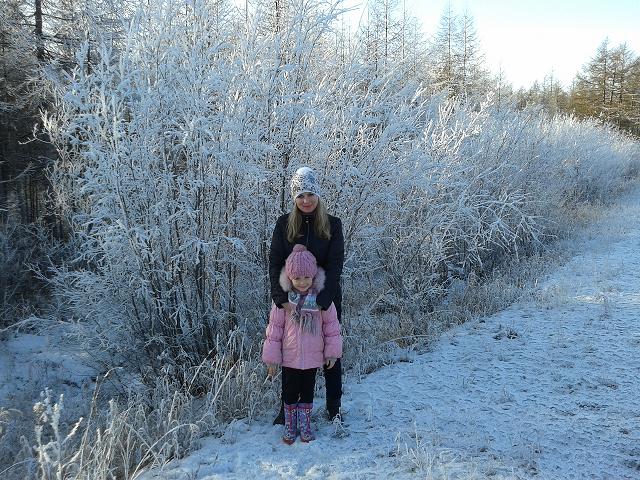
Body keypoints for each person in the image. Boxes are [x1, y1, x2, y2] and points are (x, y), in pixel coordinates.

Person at [269, 166, 345, 424]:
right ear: (294, 198)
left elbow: (335, 265)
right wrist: (280, 299)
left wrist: (324, 301)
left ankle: (334, 407)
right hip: (292, 303)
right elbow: (275, 263)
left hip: (325, 300)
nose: (306, 200)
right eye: (300, 195)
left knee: (331, 350)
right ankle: (286, 408)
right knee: (291, 352)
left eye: (310, 194)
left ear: (318, 195)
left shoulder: (333, 225)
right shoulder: (284, 224)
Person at [262, 244, 343, 444]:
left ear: (313, 275)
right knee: (289, 393)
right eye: (297, 278)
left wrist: (332, 353)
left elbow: (332, 327)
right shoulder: (284, 301)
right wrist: (272, 358)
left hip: (312, 357)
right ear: (290, 277)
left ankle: (305, 424)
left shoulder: (321, 299)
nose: (302, 282)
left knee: (307, 392)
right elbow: (274, 329)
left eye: (306, 277)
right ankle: (290, 425)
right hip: (290, 357)